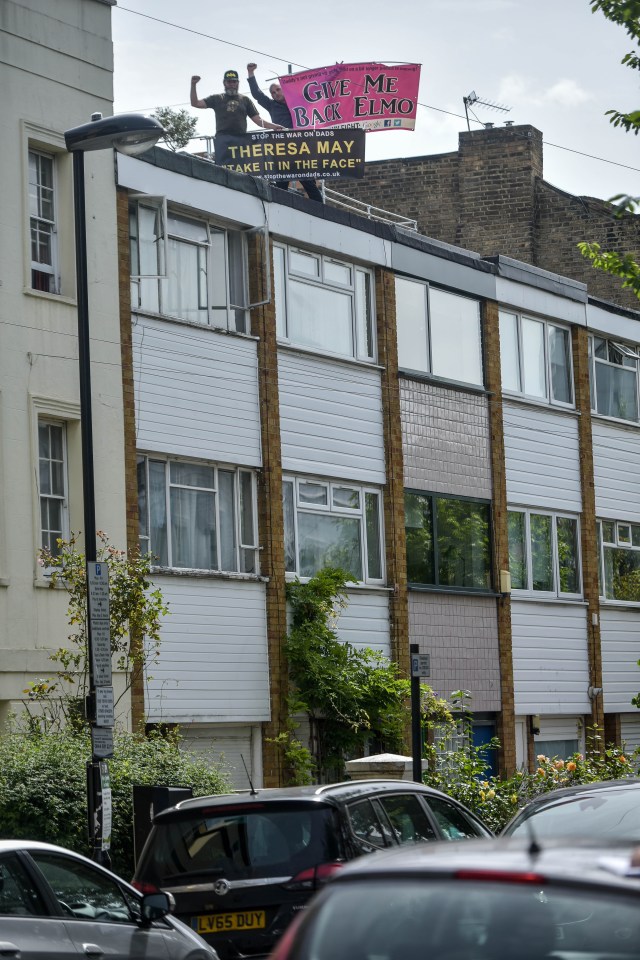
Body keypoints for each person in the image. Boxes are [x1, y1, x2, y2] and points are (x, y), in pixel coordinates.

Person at [247, 63, 324, 203]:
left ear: (284, 89)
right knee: (281, 183)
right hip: (282, 149)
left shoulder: (297, 102)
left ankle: (323, 213)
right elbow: (256, 94)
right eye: (273, 93)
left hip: (300, 148)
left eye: (278, 90)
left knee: (308, 183)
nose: (276, 94)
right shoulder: (271, 105)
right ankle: (278, 208)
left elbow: (320, 94)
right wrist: (250, 73)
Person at [190, 70, 282, 165]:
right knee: (223, 170)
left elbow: (258, 121)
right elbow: (195, 103)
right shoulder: (217, 98)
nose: (232, 84)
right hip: (223, 141)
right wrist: (193, 85)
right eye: (229, 82)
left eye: (234, 81)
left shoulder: (245, 100)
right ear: (224, 83)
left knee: (241, 169)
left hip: (241, 141)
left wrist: (274, 126)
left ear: (238, 83)